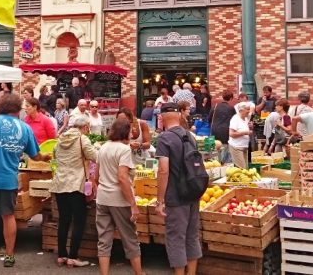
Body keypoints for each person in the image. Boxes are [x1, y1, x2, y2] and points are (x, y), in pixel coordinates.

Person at [0, 93, 50, 273]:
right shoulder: (25, 128)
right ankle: (10, 255)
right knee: (8, 216)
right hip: (8, 180)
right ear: (18, 109)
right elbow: (35, 156)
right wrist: (45, 156)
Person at [155, 103, 203, 274]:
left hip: (176, 196)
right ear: (179, 115)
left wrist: (160, 200)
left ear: (161, 117)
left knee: (176, 238)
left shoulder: (164, 138)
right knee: (191, 236)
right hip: (193, 192)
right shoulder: (190, 136)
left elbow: (163, 170)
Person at [95, 118, 145, 275]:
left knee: (104, 240)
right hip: (119, 200)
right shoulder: (124, 150)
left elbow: (95, 175)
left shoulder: (103, 148)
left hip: (102, 198)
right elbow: (122, 178)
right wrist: (133, 205)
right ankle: (139, 273)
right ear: (125, 132)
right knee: (130, 238)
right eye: (130, 130)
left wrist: (102, 187)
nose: (132, 133)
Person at [50, 116, 97, 267]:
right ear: (84, 127)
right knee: (79, 221)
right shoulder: (83, 139)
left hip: (60, 184)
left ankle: (61, 255)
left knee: (64, 219)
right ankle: (73, 257)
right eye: (88, 128)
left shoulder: (61, 139)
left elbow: (55, 156)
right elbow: (94, 156)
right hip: (76, 184)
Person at [210, 91, 235, 164]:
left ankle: (215, 164)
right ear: (231, 98)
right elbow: (234, 120)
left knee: (215, 149)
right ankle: (222, 165)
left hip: (214, 130)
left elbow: (209, 118)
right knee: (225, 149)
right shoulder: (231, 108)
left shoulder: (215, 106)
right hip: (225, 132)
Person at [228, 102, 254, 169]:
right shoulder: (235, 119)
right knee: (242, 169)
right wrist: (244, 132)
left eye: (249, 109)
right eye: (247, 109)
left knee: (245, 168)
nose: (249, 111)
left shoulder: (245, 119)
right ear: (241, 110)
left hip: (244, 147)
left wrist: (250, 127)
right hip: (236, 147)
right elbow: (231, 134)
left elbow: (244, 129)